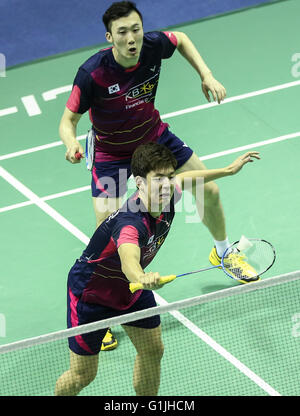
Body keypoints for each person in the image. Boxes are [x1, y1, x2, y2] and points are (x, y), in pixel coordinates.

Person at [58, 1, 243, 350]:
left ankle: (223, 252)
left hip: (154, 138)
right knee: (107, 231)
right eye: (123, 32)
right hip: (112, 155)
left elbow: (182, 39)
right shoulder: (93, 72)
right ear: (109, 36)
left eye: (136, 29)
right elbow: (67, 121)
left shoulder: (154, 46)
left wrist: (206, 74)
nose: (131, 38)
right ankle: (96, 310)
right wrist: (70, 144)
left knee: (210, 191)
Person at [54, 143, 260, 396]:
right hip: (91, 295)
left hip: (131, 291)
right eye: (158, 179)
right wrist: (141, 277)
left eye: (168, 176)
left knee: (153, 350)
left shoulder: (169, 193)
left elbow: (186, 178)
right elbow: (129, 259)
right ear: (139, 183)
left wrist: (228, 170)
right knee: (82, 376)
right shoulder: (130, 223)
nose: (166, 184)